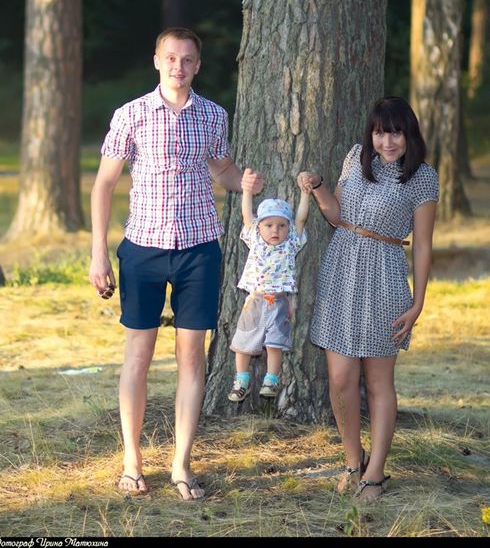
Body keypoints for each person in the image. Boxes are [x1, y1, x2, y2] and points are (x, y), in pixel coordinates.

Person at [88, 27, 264, 501]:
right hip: (142, 249)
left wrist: (241, 182)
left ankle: (181, 465)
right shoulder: (131, 115)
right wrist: (99, 252)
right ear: (156, 60)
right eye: (170, 58)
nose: (178, 67)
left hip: (198, 249)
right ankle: (131, 463)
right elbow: (104, 184)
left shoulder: (212, 116)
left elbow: (221, 170)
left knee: (191, 357)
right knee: (138, 356)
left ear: (198, 66)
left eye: (187, 60)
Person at [298, 96, 438, 502]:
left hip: (386, 276)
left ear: (408, 134)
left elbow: (424, 246)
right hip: (342, 268)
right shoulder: (356, 158)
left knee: (378, 383)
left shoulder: (422, 178)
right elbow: (336, 216)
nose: (387, 141)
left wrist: (419, 302)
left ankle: (375, 473)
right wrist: (321, 188)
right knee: (341, 380)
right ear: (371, 134)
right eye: (380, 132)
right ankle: (351, 459)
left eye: (395, 132)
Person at [227, 174, 310, 402]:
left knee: (275, 343)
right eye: (269, 225)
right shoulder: (254, 238)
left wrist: (305, 193)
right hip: (254, 300)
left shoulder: (291, 242)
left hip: (278, 301)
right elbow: (246, 215)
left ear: (288, 228)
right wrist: (246, 191)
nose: (275, 230)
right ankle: (241, 380)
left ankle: (271, 380)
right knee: (244, 343)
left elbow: (301, 219)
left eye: (282, 225)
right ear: (259, 226)